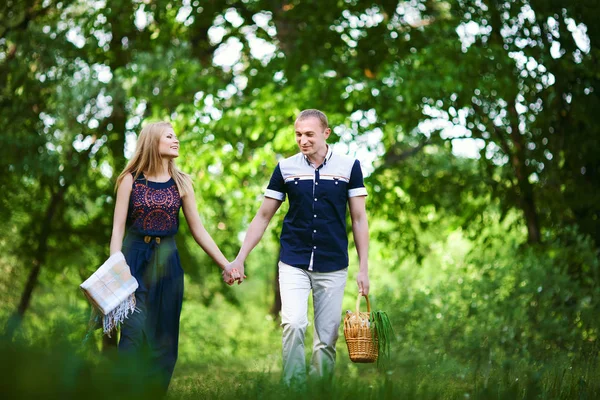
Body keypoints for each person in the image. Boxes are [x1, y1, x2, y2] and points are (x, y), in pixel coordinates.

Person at [225, 109, 370, 386]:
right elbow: (263, 216)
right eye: (298, 134)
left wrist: (364, 268)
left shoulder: (349, 167)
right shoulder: (286, 168)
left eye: (309, 134)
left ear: (326, 133)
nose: (303, 140)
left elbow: (359, 219)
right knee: (293, 323)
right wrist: (240, 258)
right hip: (293, 260)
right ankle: (294, 389)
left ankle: (319, 390)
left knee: (326, 337)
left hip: (333, 263)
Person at [109, 121, 230, 393]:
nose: (176, 140)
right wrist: (116, 269)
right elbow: (118, 229)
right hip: (133, 260)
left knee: (164, 339)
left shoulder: (181, 182)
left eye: (176, 136)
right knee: (132, 335)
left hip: (168, 262)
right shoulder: (130, 179)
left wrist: (226, 264)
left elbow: (198, 230)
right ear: (153, 141)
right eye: (169, 136)